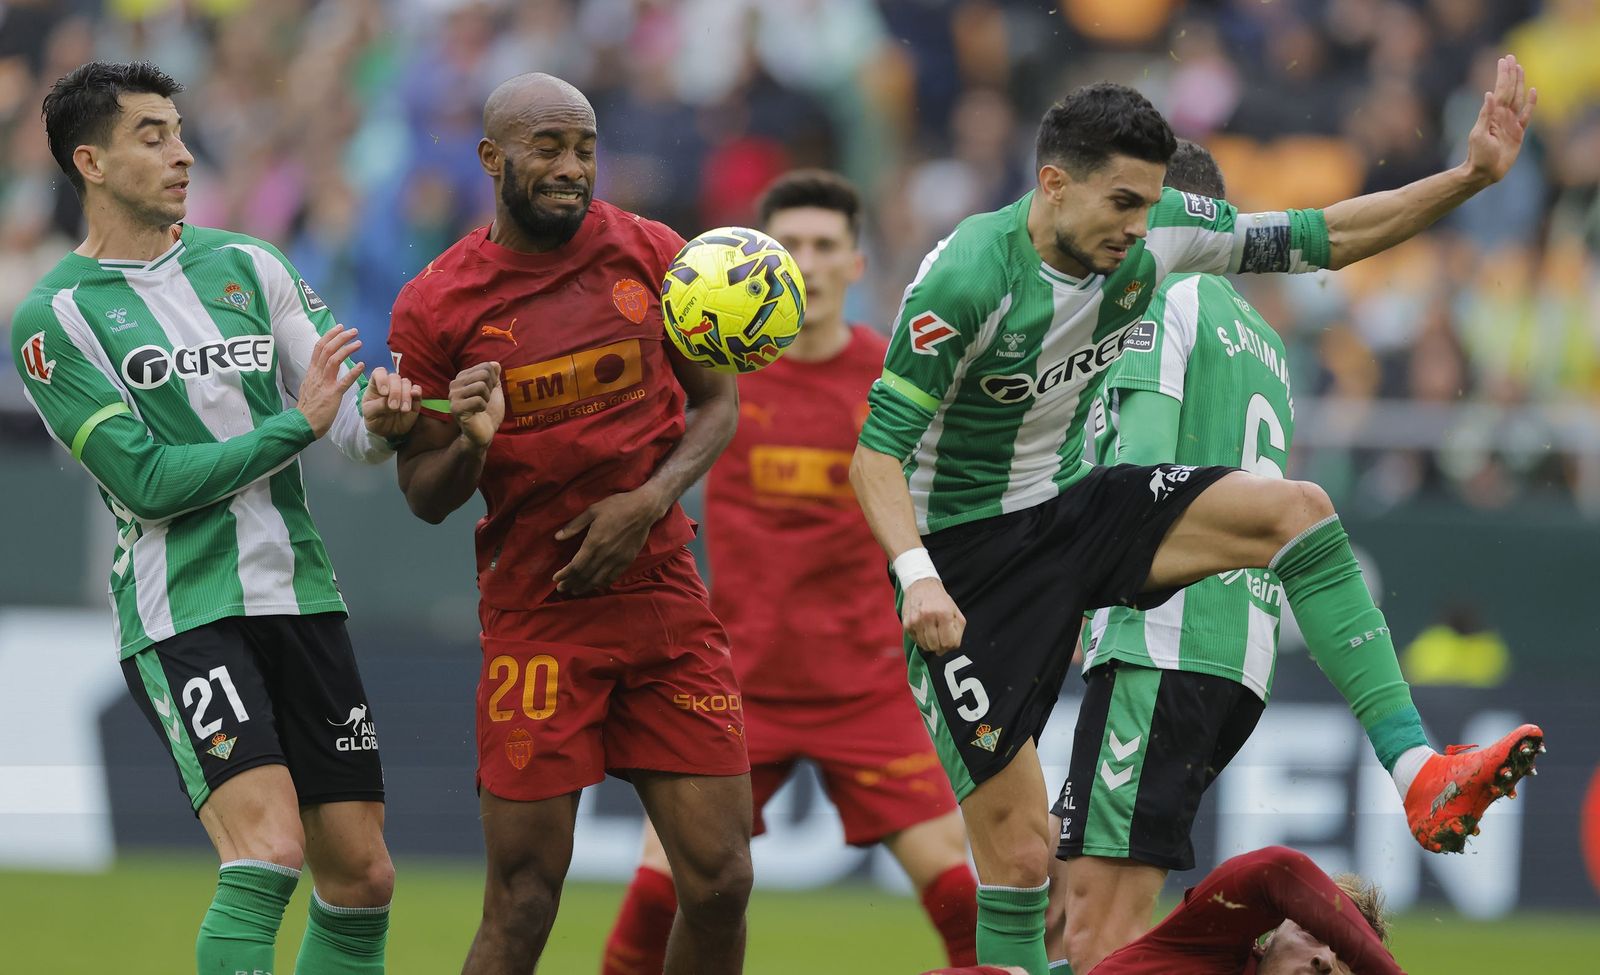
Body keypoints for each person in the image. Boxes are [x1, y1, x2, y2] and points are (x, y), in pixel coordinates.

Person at [850, 60, 1543, 975]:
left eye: (1150, 205)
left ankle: (1422, 776)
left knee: (1297, 510)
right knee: (1020, 862)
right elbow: (875, 454)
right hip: (965, 561)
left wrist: (1469, 179)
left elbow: (1324, 235)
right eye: (1123, 203)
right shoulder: (968, 280)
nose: (1140, 229)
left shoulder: (1161, 232)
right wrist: (917, 577)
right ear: (1053, 184)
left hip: (1065, 510)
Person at [1039, 139, 1534, 973]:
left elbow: (1142, 485)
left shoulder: (1165, 297)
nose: (1113, 233)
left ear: (1164, 216)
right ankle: (1414, 761)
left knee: (1095, 939)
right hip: (1237, 653)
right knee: (1068, 916)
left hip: (1160, 641)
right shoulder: (1262, 342)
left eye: (1127, 211)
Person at [14, 61, 421, 974]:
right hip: (183, 610)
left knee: (361, 875)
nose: (183, 153)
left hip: (301, 592)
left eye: (180, 131)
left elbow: (348, 428)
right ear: (91, 161)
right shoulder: (56, 317)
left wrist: (388, 418)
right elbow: (150, 481)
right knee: (268, 849)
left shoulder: (250, 263)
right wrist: (302, 422)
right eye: (152, 136)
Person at [385, 73, 751, 975]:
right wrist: (471, 441)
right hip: (537, 614)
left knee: (720, 880)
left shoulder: (653, 253)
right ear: (492, 157)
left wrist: (649, 500)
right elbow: (425, 492)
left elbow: (717, 404)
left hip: (664, 597)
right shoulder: (436, 305)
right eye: (548, 146)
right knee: (523, 900)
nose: (571, 167)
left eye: (584, 147)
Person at [602, 170, 978, 975]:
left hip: (867, 685)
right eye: (791, 246)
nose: (805, 263)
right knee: (656, 897)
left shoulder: (896, 382)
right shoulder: (708, 373)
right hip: (732, 682)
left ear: (856, 263)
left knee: (970, 912)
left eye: (823, 246)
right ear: (761, 259)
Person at [1091, 846, 1401, 975]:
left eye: (1344, 959)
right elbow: (1276, 868)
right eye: (1312, 933)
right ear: (1266, 939)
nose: (1324, 960)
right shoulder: (1206, 949)